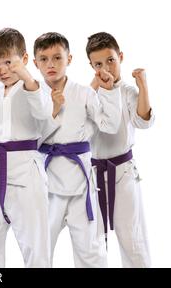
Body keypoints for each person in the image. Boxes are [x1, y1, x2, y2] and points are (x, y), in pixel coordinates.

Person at [34, 32, 122, 267]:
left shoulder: (84, 93)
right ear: (35, 63)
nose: (50, 64)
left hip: (81, 185)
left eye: (57, 58)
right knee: (39, 251)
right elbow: (30, 138)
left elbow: (110, 125)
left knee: (91, 253)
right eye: (43, 59)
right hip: (46, 185)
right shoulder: (32, 95)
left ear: (69, 59)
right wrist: (53, 109)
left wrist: (110, 91)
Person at [0, 28, 56, 267]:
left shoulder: (35, 88)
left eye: (8, 63)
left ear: (23, 60)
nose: (2, 70)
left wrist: (26, 77)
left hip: (26, 177)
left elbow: (44, 113)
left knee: (35, 247)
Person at [87, 32, 154, 267]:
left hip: (123, 172)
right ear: (91, 65)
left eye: (111, 60)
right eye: (98, 64)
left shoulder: (126, 91)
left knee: (132, 239)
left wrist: (142, 84)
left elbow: (143, 121)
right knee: (92, 242)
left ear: (121, 57)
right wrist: (95, 86)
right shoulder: (89, 93)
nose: (106, 68)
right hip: (93, 174)